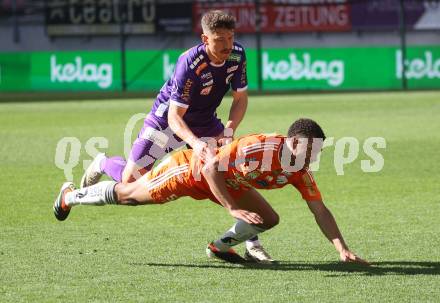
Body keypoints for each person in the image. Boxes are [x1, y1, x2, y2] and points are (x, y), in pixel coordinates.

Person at [78, 9, 271, 262]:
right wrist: (196, 145)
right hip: (165, 123)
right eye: (219, 39)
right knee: (129, 183)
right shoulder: (189, 63)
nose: (227, 45)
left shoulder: (237, 54)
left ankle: (251, 243)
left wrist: (229, 130)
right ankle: (103, 162)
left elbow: (240, 99)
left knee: (229, 174)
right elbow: (174, 117)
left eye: (231, 37)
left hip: (205, 122)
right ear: (205, 39)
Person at [54, 118, 369, 265]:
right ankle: (70, 195)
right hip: (190, 171)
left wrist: (341, 249)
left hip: (225, 184)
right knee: (129, 196)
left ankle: (219, 248)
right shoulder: (258, 147)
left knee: (268, 218)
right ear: (292, 144)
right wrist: (232, 207)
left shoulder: (299, 170)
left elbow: (320, 210)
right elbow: (209, 168)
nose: (313, 159)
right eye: (310, 151)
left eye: (317, 153)